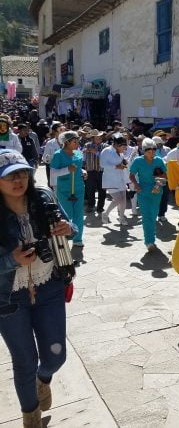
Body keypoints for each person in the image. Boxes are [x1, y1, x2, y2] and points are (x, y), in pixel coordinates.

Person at [0, 149, 75, 427]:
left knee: (56, 356)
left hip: (49, 286)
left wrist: (69, 228)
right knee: (24, 361)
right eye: (9, 176)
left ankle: (43, 380)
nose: (18, 180)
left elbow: (72, 227)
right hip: (8, 297)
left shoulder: (44, 197)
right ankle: (30, 415)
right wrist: (12, 259)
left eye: (21, 173)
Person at [129, 138, 167, 251]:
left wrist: (159, 183)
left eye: (154, 151)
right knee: (146, 217)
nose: (152, 154)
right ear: (144, 151)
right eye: (149, 151)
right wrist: (136, 184)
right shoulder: (138, 161)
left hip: (156, 191)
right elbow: (131, 175)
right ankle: (149, 241)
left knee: (153, 215)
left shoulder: (159, 161)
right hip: (143, 192)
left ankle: (152, 238)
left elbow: (165, 175)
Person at [50, 131, 86, 247]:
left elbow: (79, 168)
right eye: (74, 142)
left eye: (77, 142)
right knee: (67, 214)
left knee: (79, 214)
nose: (77, 144)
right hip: (64, 189)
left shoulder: (79, 154)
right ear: (66, 142)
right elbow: (53, 173)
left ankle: (78, 238)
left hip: (79, 188)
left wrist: (83, 172)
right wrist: (67, 170)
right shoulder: (58, 155)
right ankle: (65, 235)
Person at [101, 136, 130, 225]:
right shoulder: (106, 151)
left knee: (123, 200)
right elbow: (102, 164)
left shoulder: (120, 153)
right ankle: (105, 214)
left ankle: (121, 218)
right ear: (117, 145)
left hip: (121, 179)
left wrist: (124, 162)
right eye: (123, 147)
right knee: (118, 199)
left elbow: (121, 163)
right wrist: (116, 166)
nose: (124, 149)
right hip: (111, 179)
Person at [83, 130, 107, 213]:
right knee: (90, 189)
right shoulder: (87, 145)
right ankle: (91, 205)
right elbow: (83, 157)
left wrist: (96, 152)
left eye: (100, 137)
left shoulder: (105, 146)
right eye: (97, 137)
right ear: (93, 138)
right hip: (90, 170)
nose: (99, 139)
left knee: (102, 189)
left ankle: (100, 207)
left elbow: (105, 157)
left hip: (101, 171)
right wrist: (84, 152)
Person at [153, 136, 171, 222]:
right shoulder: (151, 151)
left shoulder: (168, 150)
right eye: (156, 144)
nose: (157, 146)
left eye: (159, 144)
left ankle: (162, 214)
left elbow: (171, 161)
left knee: (165, 196)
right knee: (155, 195)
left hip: (165, 176)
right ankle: (154, 213)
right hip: (154, 177)